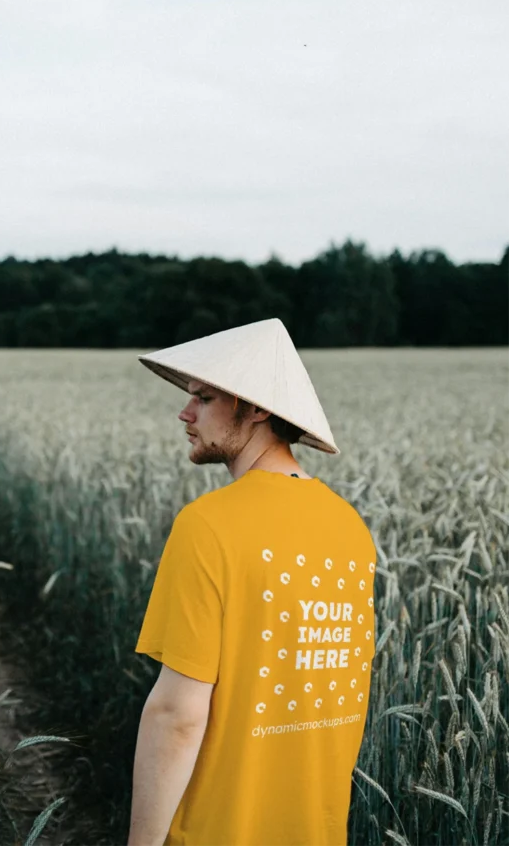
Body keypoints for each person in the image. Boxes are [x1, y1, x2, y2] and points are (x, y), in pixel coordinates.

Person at [128, 318, 377, 846]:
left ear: (258, 407)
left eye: (203, 397)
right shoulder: (351, 528)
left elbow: (177, 715)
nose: (185, 411)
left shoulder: (208, 525)